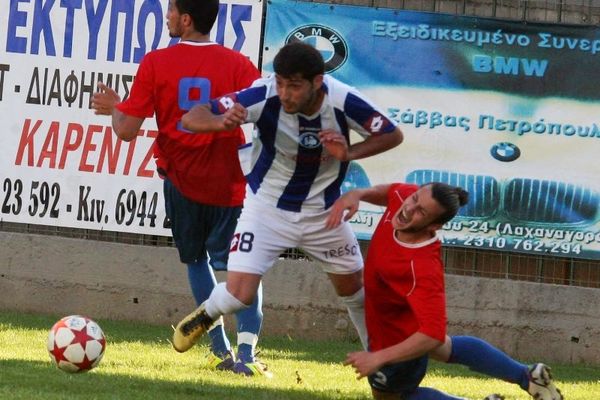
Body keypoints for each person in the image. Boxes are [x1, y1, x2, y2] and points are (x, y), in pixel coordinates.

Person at [171, 41, 404, 356]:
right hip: (266, 209)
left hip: (324, 214)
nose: (284, 93)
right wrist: (219, 122)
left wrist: (350, 152)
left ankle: (381, 366)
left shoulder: (343, 100)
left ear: (317, 82)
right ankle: (207, 312)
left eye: (293, 86)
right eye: (280, 83)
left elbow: (392, 134)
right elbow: (192, 117)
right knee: (239, 295)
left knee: (357, 295)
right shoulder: (263, 95)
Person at [90, 0, 267, 376]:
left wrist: (118, 105)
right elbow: (266, 100)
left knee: (196, 260)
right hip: (230, 181)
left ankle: (221, 352)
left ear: (185, 20)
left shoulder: (157, 62)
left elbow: (125, 131)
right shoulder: (236, 63)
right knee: (242, 266)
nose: (166, 16)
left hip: (183, 180)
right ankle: (248, 356)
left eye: (170, 10)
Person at [328, 182, 563, 400]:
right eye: (414, 199)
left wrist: (378, 357)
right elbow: (391, 192)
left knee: (394, 397)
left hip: (395, 338)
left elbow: (432, 334)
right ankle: (527, 376)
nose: (408, 208)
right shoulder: (406, 199)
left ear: (433, 226)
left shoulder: (421, 267)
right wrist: (358, 194)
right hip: (395, 323)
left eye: (420, 211)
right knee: (448, 349)